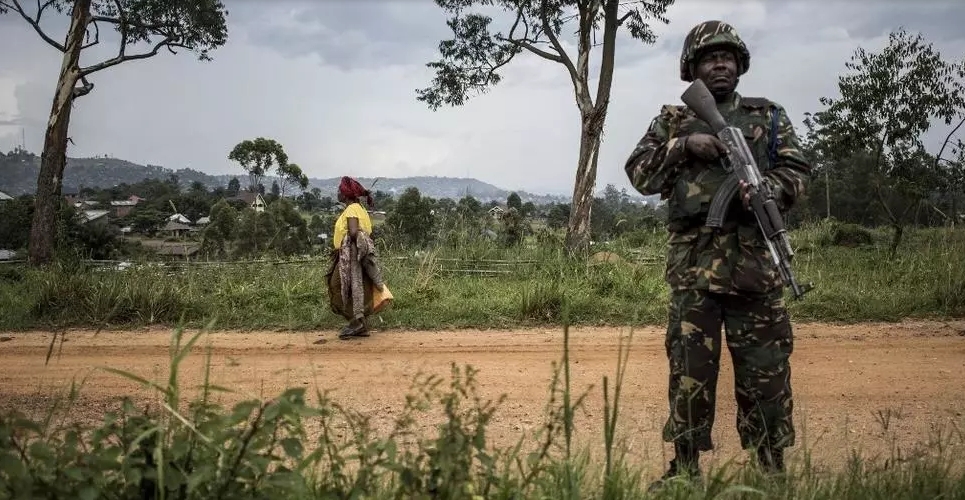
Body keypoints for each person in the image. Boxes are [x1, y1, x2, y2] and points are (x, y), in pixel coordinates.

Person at [623, 20, 812, 488]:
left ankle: (771, 471)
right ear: (693, 67)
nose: (721, 63)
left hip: (755, 272)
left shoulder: (767, 116)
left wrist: (766, 188)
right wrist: (685, 146)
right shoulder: (673, 119)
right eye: (710, 57)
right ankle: (684, 470)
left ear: (741, 64)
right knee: (689, 377)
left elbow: (798, 171)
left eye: (728, 56)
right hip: (693, 274)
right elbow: (639, 175)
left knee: (766, 377)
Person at [325, 176, 391, 340]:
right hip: (354, 255)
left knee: (337, 287)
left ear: (346, 194)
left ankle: (357, 322)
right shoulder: (359, 209)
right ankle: (359, 322)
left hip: (350, 256)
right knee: (356, 289)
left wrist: (350, 250)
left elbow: (354, 232)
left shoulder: (352, 209)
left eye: (340, 190)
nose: (338, 193)